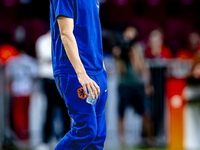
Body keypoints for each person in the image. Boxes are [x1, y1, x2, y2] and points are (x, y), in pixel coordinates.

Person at [49, 0, 108, 149]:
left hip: (97, 70)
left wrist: (102, 67)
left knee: (97, 137)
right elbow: (66, 33)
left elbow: (93, 30)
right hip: (75, 70)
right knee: (86, 130)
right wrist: (81, 74)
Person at [112, 26, 154, 148]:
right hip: (124, 85)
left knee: (146, 113)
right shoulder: (118, 48)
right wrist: (121, 50)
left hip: (138, 85)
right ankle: (122, 142)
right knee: (121, 114)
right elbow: (118, 64)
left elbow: (141, 68)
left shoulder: (137, 48)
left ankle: (150, 140)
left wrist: (132, 53)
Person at [35, 31, 71, 143]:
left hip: (62, 79)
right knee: (49, 109)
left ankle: (66, 137)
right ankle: (46, 139)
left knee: (65, 109)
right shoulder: (42, 41)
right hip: (48, 79)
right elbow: (48, 56)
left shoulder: (62, 38)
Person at [5, 45, 38, 142]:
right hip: (27, 89)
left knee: (18, 114)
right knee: (26, 114)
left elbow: (8, 75)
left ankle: (20, 135)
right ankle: (25, 135)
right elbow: (36, 74)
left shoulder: (12, 61)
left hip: (17, 89)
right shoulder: (30, 61)